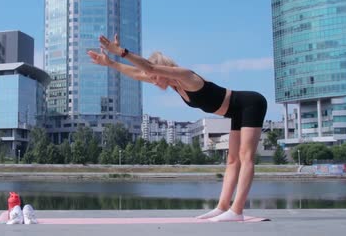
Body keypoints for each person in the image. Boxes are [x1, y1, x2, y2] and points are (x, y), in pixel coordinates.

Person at [87, 34, 267, 222]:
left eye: (155, 77)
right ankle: (222, 207)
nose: (154, 82)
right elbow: (139, 73)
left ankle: (237, 210)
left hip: (250, 104)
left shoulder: (186, 76)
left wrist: (122, 52)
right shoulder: (171, 84)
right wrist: (111, 64)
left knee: (246, 157)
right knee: (231, 160)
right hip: (235, 112)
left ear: (164, 70)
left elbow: (149, 68)